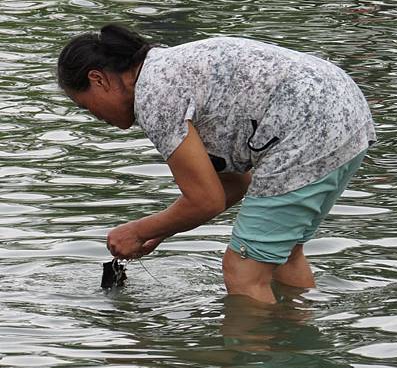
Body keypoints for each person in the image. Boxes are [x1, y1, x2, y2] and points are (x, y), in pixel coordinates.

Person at [57, 23, 376, 304]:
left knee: (243, 271)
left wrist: (137, 231)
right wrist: (161, 231)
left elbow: (206, 200)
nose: (96, 117)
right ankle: (299, 346)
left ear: (97, 79)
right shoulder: (166, 69)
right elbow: (233, 184)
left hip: (305, 126)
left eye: (87, 106)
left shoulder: (154, 96)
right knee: (280, 254)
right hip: (345, 111)